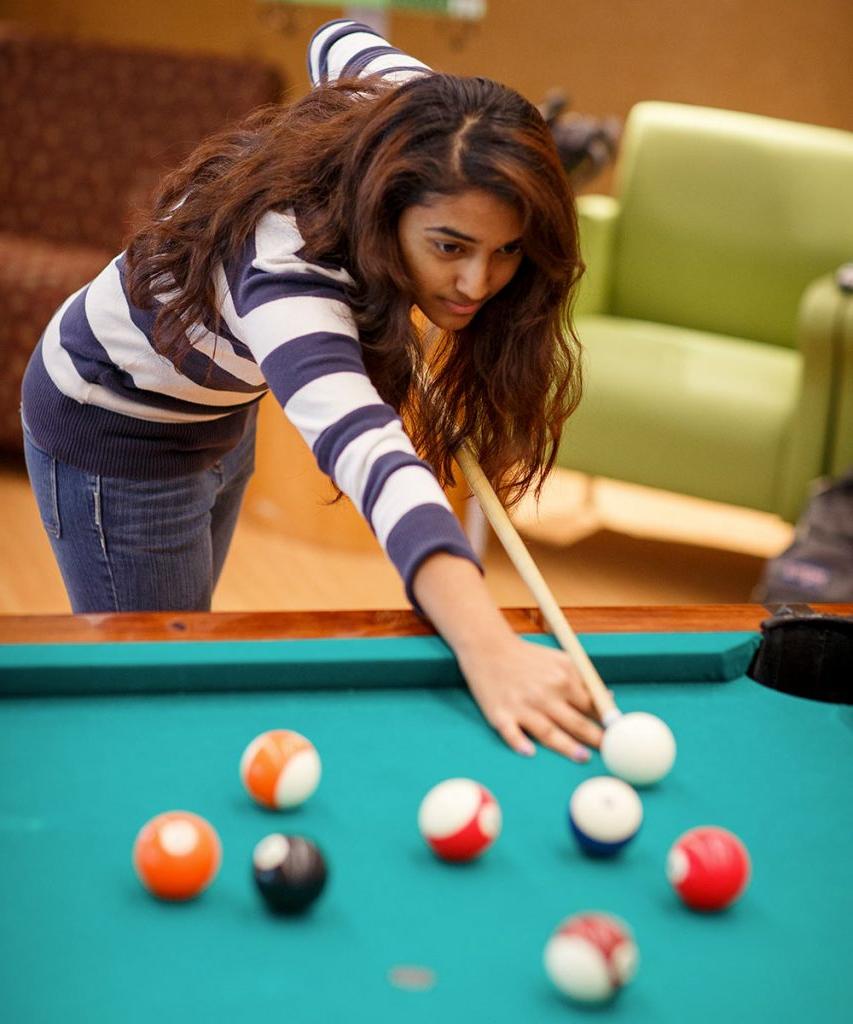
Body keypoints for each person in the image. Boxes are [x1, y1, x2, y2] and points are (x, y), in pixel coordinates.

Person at [21, 20, 600, 762]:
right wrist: (488, 647)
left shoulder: (415, 115)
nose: (477, 284)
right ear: (387, 202)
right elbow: (372, 458)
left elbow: (336, 37)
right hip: (114, 426)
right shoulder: (286, 276)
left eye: (506, 251)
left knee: (182, 634)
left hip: (218, 408)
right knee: (158, 688)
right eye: (449, 246)